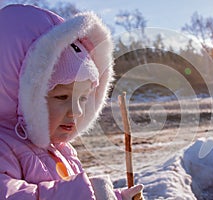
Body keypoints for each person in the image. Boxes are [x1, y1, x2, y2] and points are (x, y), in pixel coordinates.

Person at [0, 4, 143, 200]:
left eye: (83, 98)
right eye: (62, 96)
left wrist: (114, 197)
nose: (76, 111)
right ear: (18, 94)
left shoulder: (63, 150)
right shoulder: (4, 149)